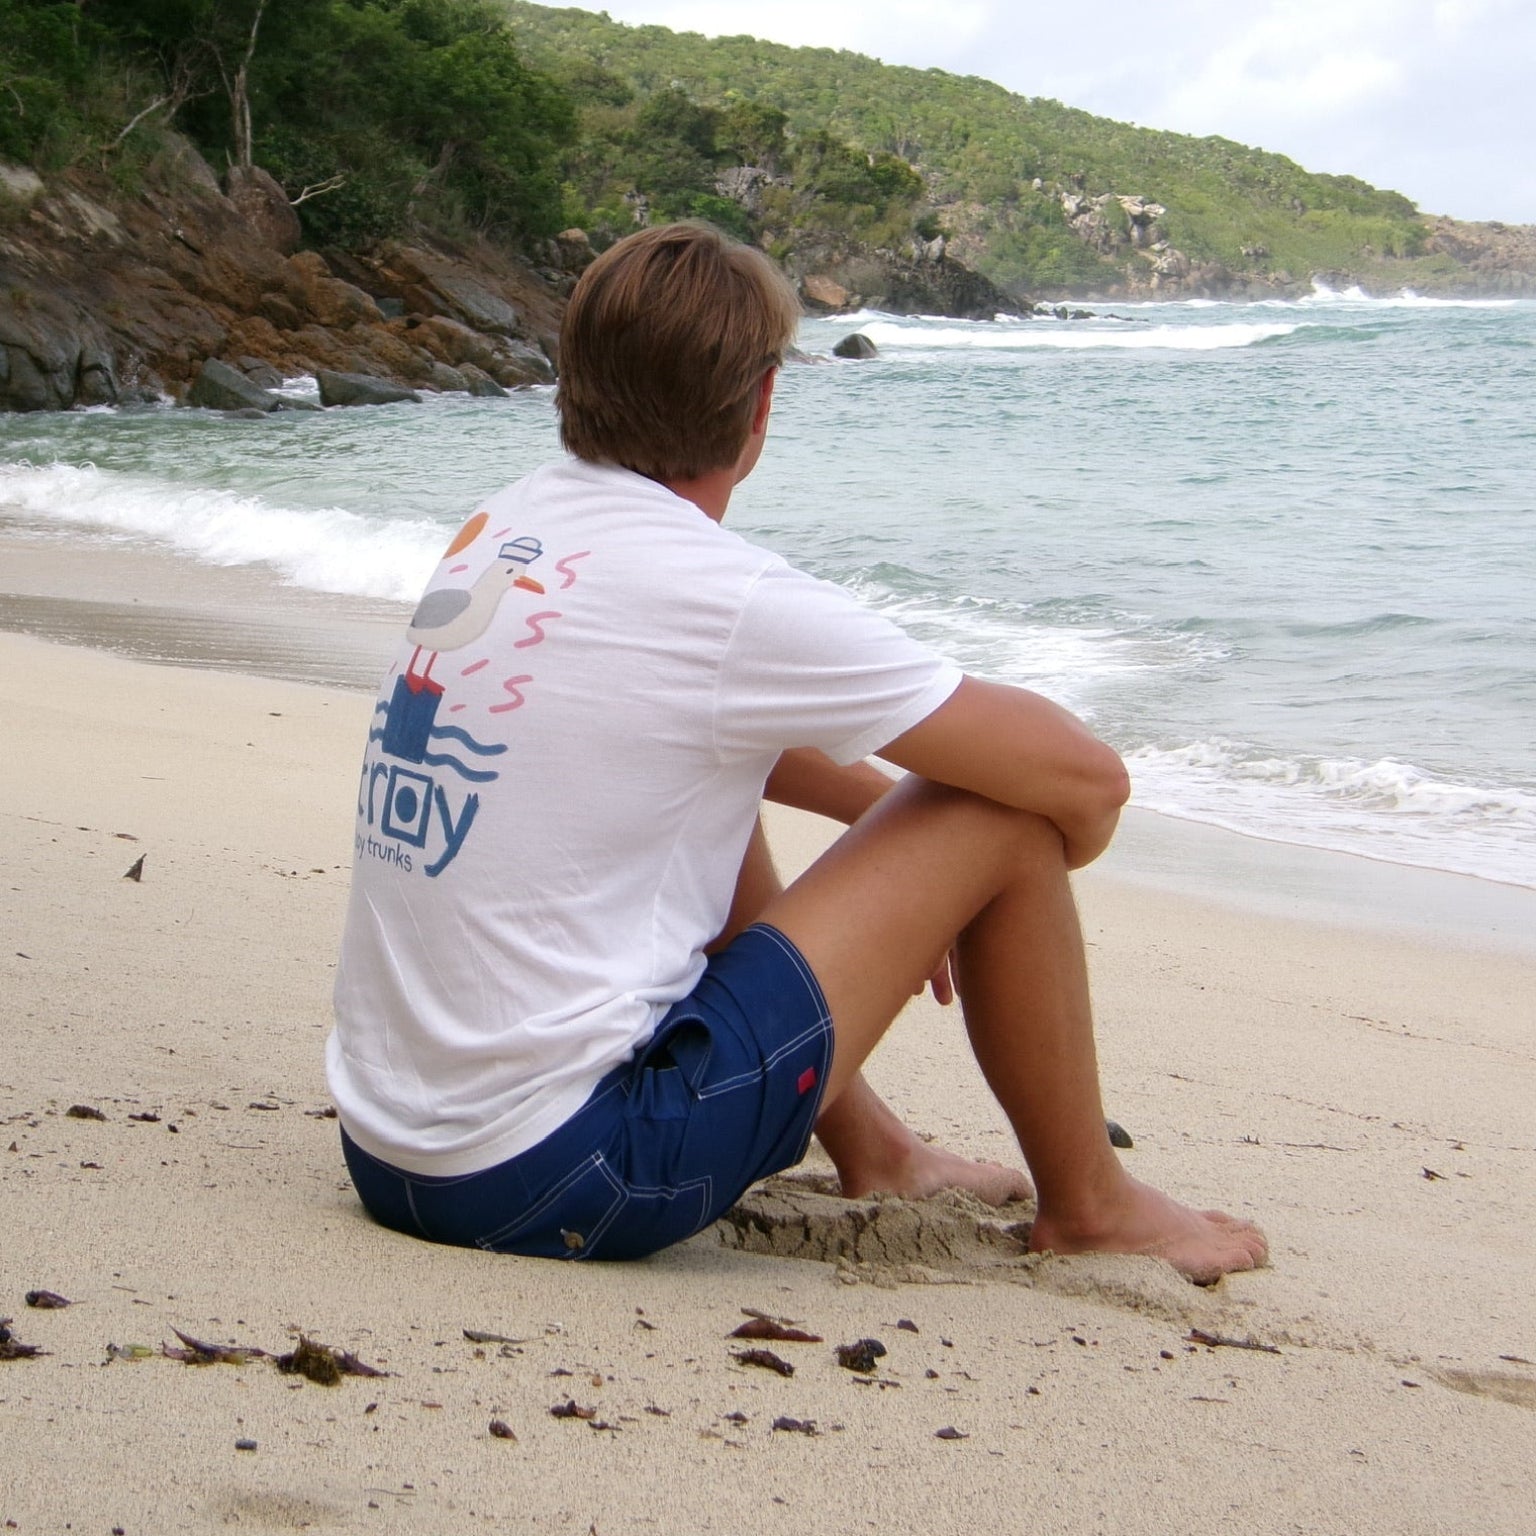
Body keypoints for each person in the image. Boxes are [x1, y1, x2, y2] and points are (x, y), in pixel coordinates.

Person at [328, 222, 1267, 1284]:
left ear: (570, 380)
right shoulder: (719, 593)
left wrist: (889, 840)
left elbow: (662, 731)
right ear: (763, 406)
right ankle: (1092, 1204)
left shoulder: (506, 528)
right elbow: (1086, 782)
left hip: (392, 1149)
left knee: (700, 774)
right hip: (571, 1174)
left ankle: (879, 1150)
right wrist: (980, 869)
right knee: (1003, 815)